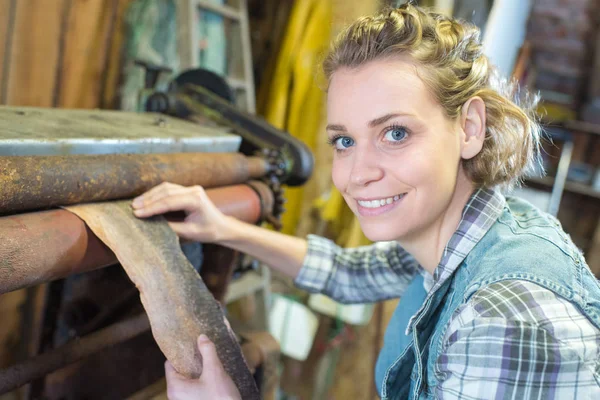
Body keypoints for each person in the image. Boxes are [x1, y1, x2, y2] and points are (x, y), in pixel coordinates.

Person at [132, 4, 600, 399]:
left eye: (395, 133)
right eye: (344, 141)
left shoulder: (505, 318)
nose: (358, 174)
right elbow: (347, 272)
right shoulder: (466, 234)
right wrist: (224, 227)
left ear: (470, 128)